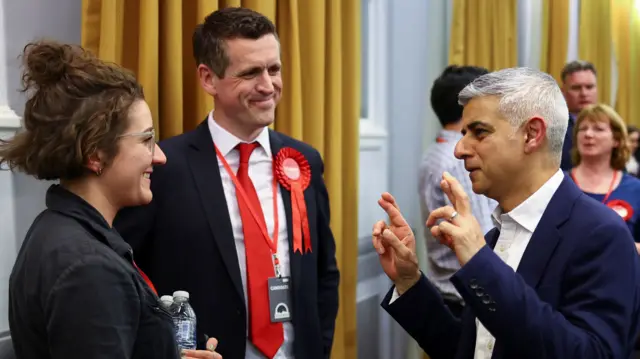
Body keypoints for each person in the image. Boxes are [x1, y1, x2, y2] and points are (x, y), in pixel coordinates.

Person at [114, 7, 340, 359]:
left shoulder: (302, 161)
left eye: (274, 69)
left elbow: (323, 272)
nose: (268, 86)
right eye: (251, 73)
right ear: (208, 79)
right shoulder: (163, 167)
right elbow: (128, 278)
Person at [372, 67, 640, 358]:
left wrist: (480, 263)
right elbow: (471, 349)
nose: (460, 149)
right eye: (463, 133)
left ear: (531, 134)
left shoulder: (601, 234)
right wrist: (409, 282)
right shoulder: (496, 235)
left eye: (479, 132)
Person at [2, 41, 221, 359]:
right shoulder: (88, 269)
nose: (159, 156)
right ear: (95, 153)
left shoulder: (56, 230)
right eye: (146, 139)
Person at [419, 65, 497, 318]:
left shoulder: (434, 152)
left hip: (446, 288)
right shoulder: (461, 158)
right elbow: (483, 235)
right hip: (466, 299)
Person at [568, 104, 640, 248]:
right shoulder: (557, 183)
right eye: (583, 129)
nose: (588, 134)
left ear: (616, 140)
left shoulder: (635, 189)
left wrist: (619, 247)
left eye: (598, 129)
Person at [560, 60, 598, 171]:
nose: (584, 93)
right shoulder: (553, 127)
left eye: (589, 87)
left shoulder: (610, 125)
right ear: (563, 91)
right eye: (576, 88)